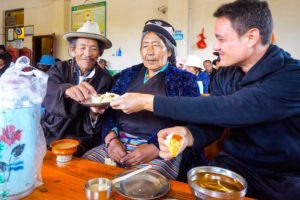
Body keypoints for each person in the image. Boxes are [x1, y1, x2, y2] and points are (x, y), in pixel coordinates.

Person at [109, 0, 300, 199]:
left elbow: (231, 109)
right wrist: (187, 134)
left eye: (222, 39)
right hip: (233, 167)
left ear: (251, 37)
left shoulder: (292, 76)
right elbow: (213, 123)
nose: (215, 47)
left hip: (284, 178)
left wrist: (147, 101)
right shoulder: (226, 74)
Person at [83, 19, 205, 179]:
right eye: (145, 45)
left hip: (162, 149)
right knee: (85, 168)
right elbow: (110, 112)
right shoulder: (126, 75)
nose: (149, 51)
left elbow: (189, 120)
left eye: (156, 45)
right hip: (119, 142)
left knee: (143, 184)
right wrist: (112, 140)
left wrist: (154, 147)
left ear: (169, 51)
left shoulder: (184, 80)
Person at [41, 21, 114, 156]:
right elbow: (45, 90)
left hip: (82, 136)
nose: (87, 53)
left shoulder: (105, 79)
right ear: (73, 50)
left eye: (93, 48)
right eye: (82, 47)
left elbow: (103, 117)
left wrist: (94, 114)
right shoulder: (59, 68)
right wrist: (66, 90)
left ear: (99, 53)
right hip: (52, 132)